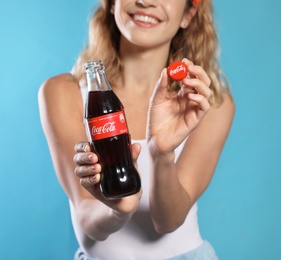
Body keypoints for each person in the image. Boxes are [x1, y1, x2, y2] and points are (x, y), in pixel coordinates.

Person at [38, 0, 235, 258]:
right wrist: (118, 208)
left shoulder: (207, 104)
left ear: (189, 13)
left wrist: (162, 154)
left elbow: (168, 221)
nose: (146, 1)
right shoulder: (64, 93)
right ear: (110, 4)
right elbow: (86, 216)